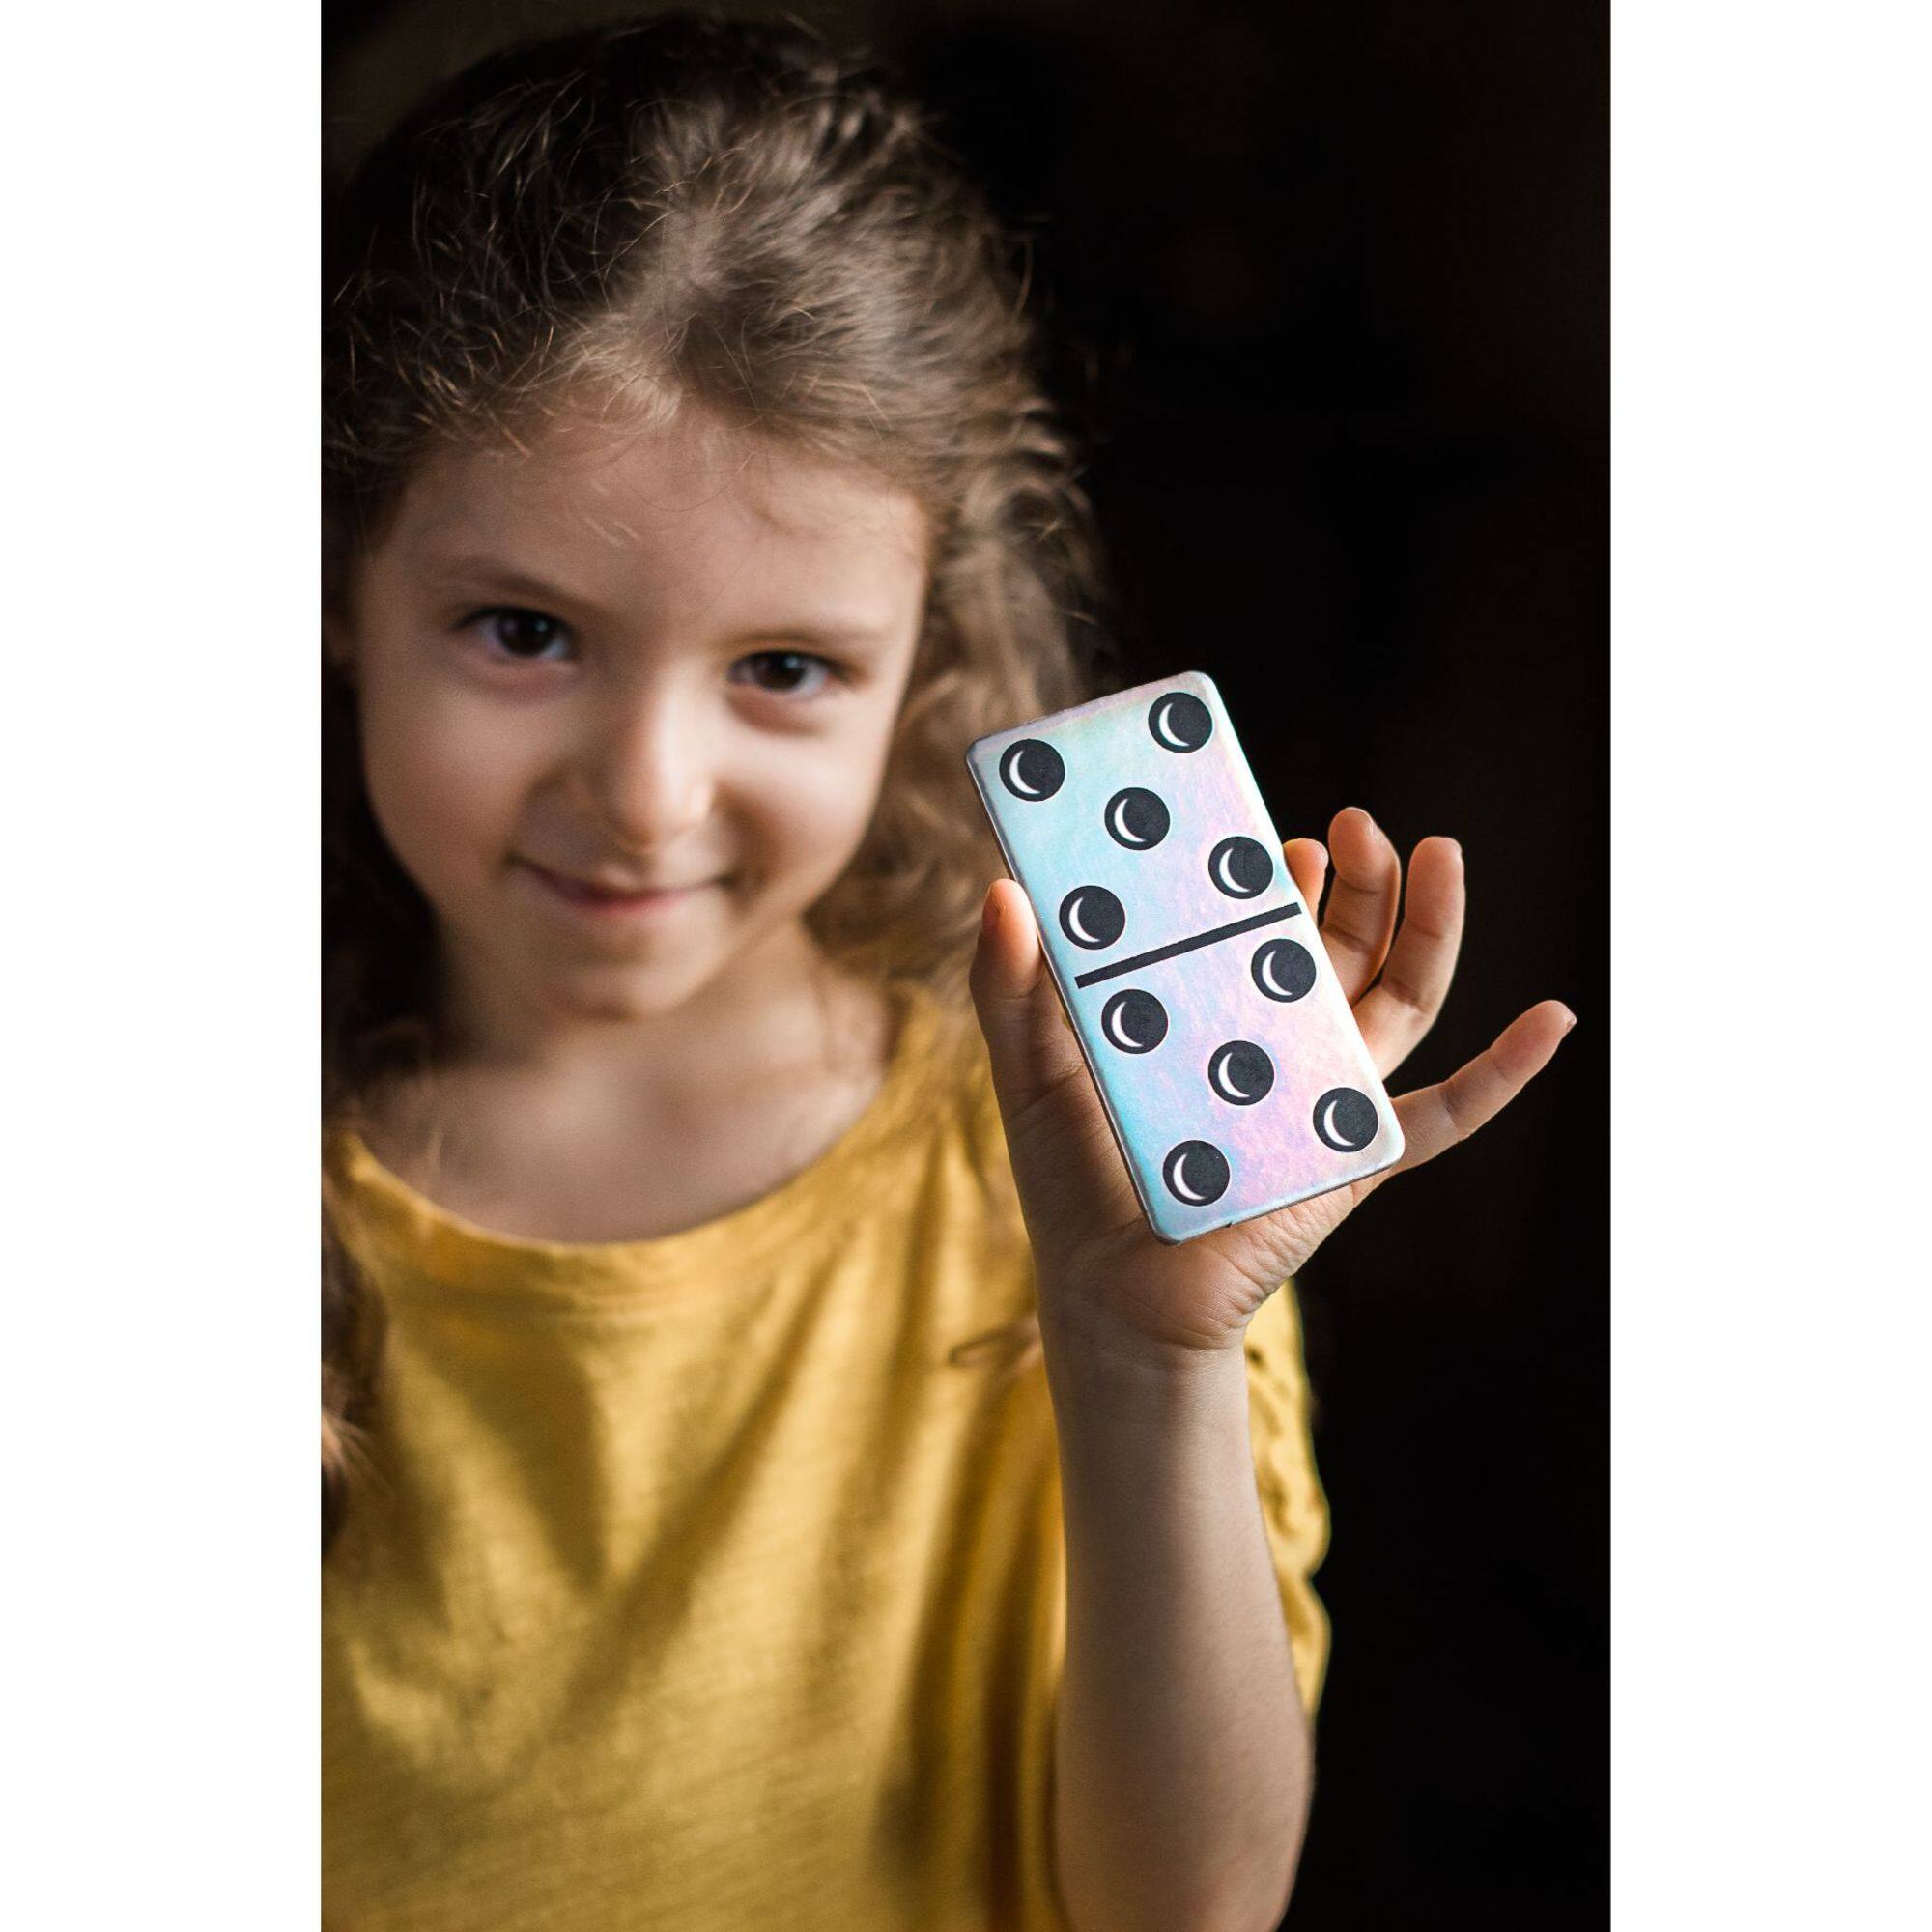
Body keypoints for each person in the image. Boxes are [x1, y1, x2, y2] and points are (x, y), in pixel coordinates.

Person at [321, 16, 1574, 1930]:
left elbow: (1189, 1908)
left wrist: (1146, 1357)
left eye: (784, 669)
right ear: (337, 580)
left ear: (924, 650)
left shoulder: (1091, 1166)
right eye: (522, 631)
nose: (646, 794)